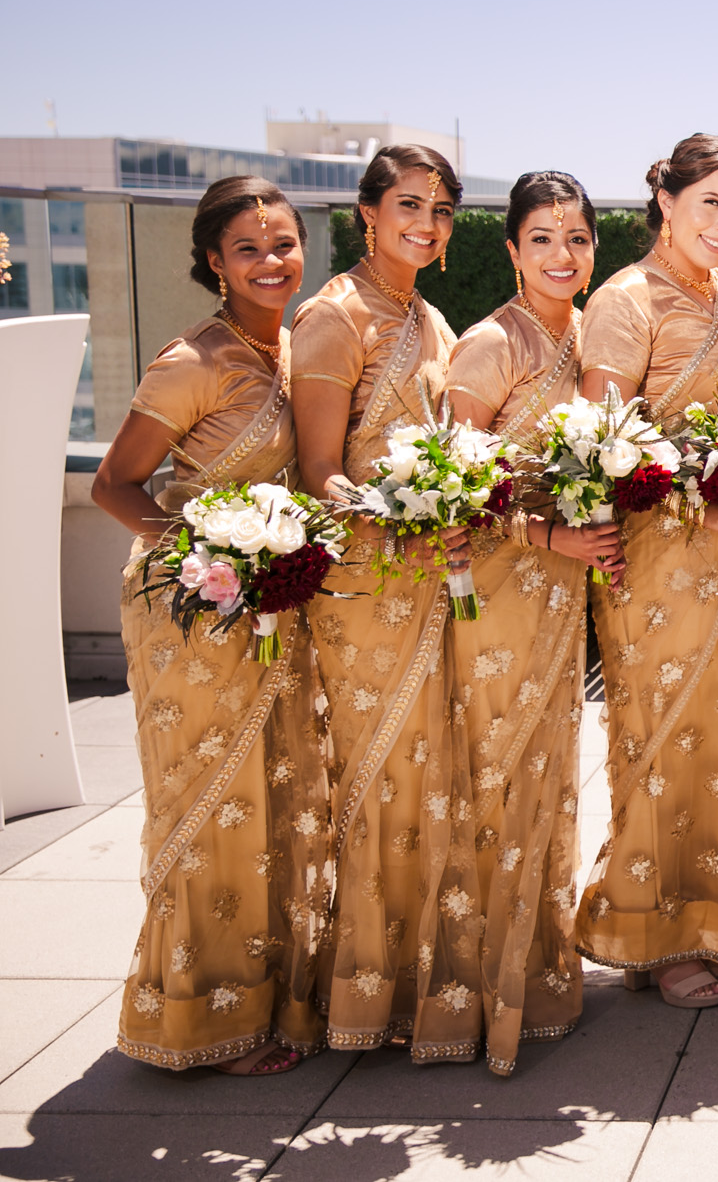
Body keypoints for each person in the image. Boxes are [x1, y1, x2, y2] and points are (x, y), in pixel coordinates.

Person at [93, 177, 329, 1074]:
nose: (271, 263)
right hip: (191, 612)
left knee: (274, 801)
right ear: (212, 262)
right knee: (209, 804)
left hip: (274, 606)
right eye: (248, 249)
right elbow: (112, 484)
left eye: (283, 245)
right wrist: (211, 556)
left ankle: (263, 997)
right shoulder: (191, 361)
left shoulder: (297, 350)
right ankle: (197, 1019)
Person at [573, 136, 718, 1007]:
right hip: (660, 559)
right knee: (662, 741)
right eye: (710, 202)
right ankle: (655, 931)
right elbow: (599, 448)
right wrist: (703, 506)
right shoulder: (625, 301)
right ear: (663, 198)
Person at [292, 143, 484, 1061]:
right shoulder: (334, 319)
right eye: (410, 204)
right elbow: (316, 472)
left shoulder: (436, 322)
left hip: (433, 578)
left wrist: (452, 508)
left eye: (443, 210)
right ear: (368, 210)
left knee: (432, 779)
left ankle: (419, 981)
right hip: (363, 584)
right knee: (374, 781)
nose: (428, 223)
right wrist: (395, 523)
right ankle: (359, 993)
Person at [443, 171, 611, 1072]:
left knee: (547, 778)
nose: (562, 254)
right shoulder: (488, 344)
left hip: (560, 590)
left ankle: (540, 971)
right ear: (510, 250)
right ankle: (479, 991)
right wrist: (550, 533)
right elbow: (447, 493)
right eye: (542, 237)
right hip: (498, 588)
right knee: (495, 773)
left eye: (577, 238)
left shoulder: (588, 337)